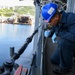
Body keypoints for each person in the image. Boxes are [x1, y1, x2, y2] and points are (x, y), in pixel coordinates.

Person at [41, 2, 75, 74]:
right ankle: (69, 57)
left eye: (49, 21)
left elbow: (73, 36)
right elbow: (53, 31)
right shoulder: (56, 23)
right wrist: (49, 34)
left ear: (56, 17)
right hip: (68, 47)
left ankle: (65, 68)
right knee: (54, 60)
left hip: (71, 43)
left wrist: (59, 34)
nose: (49, 23)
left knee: (64, 42)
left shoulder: (72, 18)